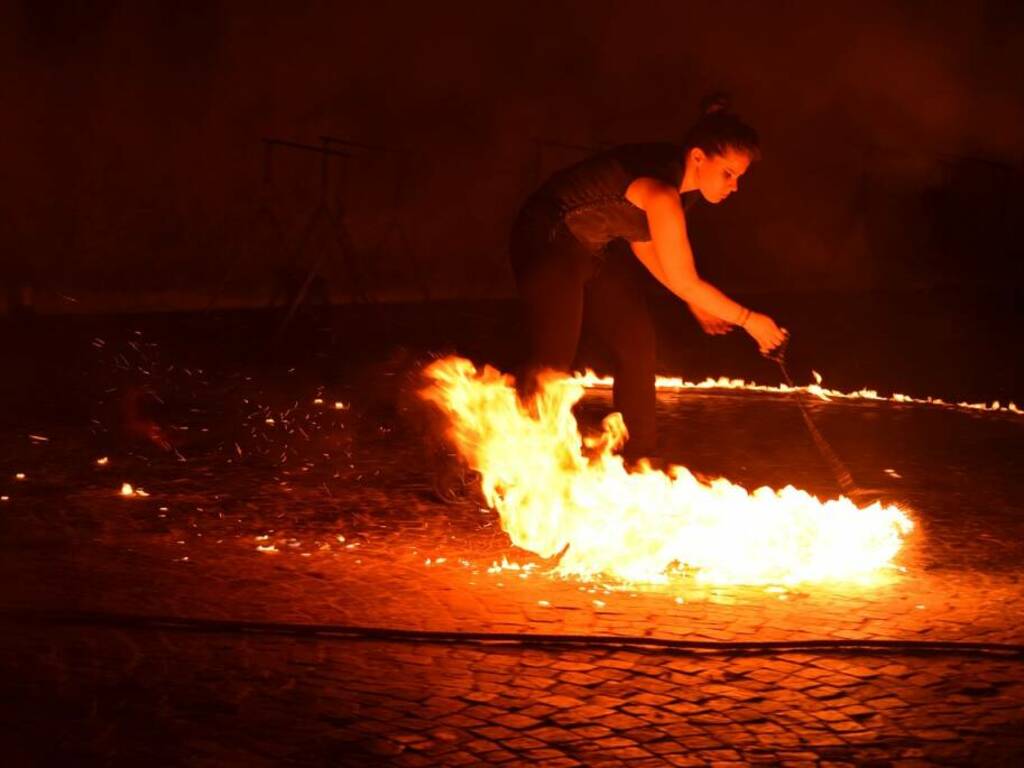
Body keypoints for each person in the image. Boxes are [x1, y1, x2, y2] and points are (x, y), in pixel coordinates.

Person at [510, 97, 786, 464]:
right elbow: (684, 278)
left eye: (739, 177)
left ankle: (639, 460)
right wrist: (750, 321)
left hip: (592, 250)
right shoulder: (661, 190)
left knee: (637, 345)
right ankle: (509, 462)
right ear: (699, 158)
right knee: (551, 362)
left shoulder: (678, 189)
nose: (734, 186)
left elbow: (647, 250)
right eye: (728, 173)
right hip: (547, 237)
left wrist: (694, 300)